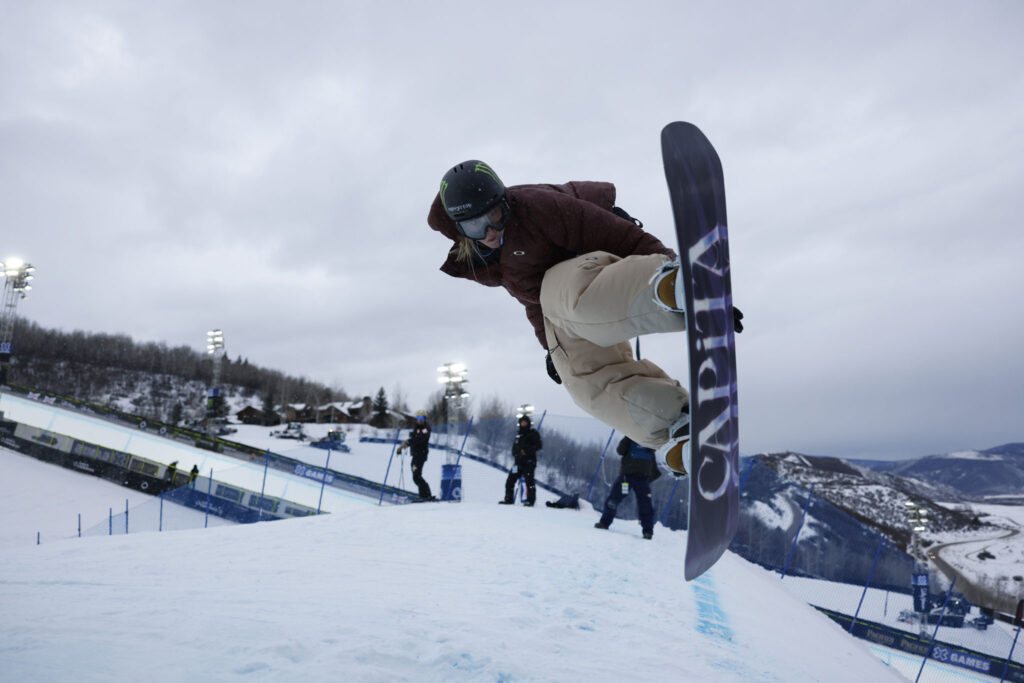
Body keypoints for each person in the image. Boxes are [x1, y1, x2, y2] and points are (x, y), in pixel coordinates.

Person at [427, 160, 743, 475]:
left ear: (503, 203)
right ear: (460, 230)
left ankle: (668, 292)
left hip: (602, 275)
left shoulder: (537, 209)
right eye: (475, 227)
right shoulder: (483, 259)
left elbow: (626, 239)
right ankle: (675, 424)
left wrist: (691, 284)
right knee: (581, 380)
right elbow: (533, 303)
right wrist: (550, 351)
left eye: (494, 217)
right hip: (566, 306)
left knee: (564, 295)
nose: (490, 232)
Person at [594, 436, 663, 539]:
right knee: (645, 505)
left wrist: (629, 436)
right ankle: (648, 531)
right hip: (642, 477)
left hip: (627, 475)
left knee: (613, 500)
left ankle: (604, 523)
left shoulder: (631, 434)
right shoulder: (649, 436)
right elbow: (653, 449)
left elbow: (620, 450)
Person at [500, 414, 542, 506]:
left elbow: (538, 446)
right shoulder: (518, 435)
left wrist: (526, 451)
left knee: (529, 481)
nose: (523, 424)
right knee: (510, 480)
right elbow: (514, 447)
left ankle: (530, 501)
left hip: (529, 462)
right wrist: (515, 452)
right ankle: (508, 499)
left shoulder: (532, 434)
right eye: (522, 422)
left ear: (528, 423)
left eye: (525, 422)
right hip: (518, 463)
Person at [397, 413, 435, 501]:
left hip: (420, 454)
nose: (420, 419)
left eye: (422, 418)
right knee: (416, 475)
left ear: (425, 419)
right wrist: (410, 438)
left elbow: (420, 439)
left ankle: (426, 495)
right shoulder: (417, 428)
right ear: (416, 419)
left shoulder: (425, 428)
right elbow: (415, 437)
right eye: (418, 418)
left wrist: (407, 443)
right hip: (416, 454)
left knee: (417, 476)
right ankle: (423, 495)